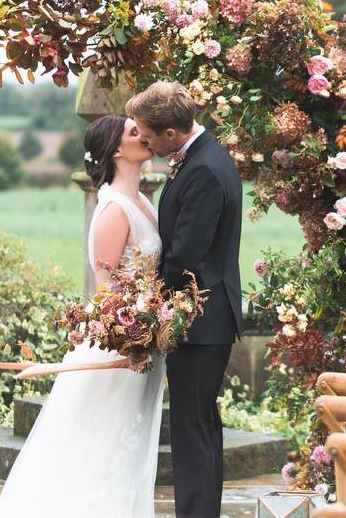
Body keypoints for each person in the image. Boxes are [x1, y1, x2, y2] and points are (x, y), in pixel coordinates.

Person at [0, 114, 165, 518]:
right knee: (98, 441)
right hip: (118, 344)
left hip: (146, 339)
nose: (146, 136)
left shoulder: (142, 201)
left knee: (128, 442)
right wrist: (134, 334)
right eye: (135, 132)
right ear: (118, 150)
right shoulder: (114, 209)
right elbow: (106, 289)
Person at [126, 80, 244, 518]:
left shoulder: (205, 170)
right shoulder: (201, 157)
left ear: (171, 134)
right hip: (201, 319)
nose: (143, 140)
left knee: (192, 431)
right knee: (199, 425)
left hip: (199, 319)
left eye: (147, 134)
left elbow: (186, 256)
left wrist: (148, 306)